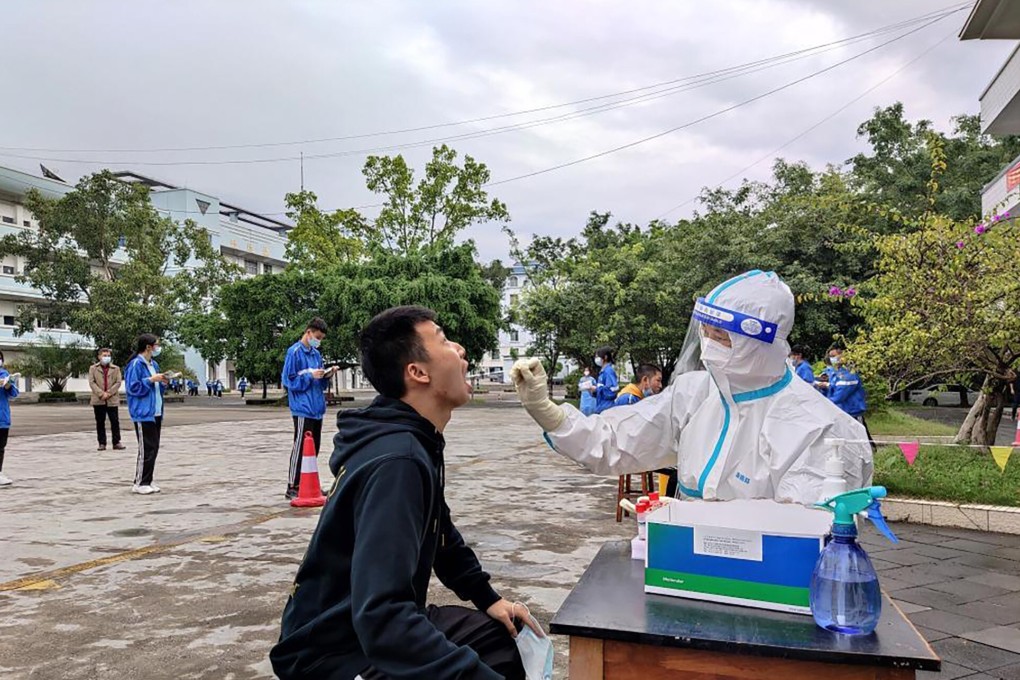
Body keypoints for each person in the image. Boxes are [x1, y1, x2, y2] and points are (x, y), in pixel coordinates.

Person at [270, 306, 534, 680]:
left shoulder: (415, 440)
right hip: (332, 653)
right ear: (417, 372)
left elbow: (441, 535)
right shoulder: (398, 461)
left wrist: (488, 598)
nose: (460, 350)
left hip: (361, 630)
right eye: (444, 341)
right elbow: (383, 616)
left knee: (501, 640)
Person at [511, 270, 873, 505]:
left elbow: (801, 535)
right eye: (706, 333)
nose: (709, 346)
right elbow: (615, 441)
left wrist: (695, 521)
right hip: (690, 572)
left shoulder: (819, 427)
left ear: (763, 342)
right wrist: (549, 413)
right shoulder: (695, 395)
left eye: (722, 337)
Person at [282, 317, 337, 500]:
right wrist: (309, 376)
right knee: (300, 447)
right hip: (302, 408)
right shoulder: (294, 352)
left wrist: (326, 375)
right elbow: (288, 381)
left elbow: (319, 384)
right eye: (317, 337)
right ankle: (293, 485)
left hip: (316, 408)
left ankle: (309, 483)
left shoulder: (316, 355)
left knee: (314, 449)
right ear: (308, 332)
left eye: (321, 338)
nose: (318, 341)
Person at [125, 334, 167, 495]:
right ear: (148, 347)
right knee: (146, 449)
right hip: (143, 412)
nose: (158, 348)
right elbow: (133, 388)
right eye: (156, 345)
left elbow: (156, 388)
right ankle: (140, 482)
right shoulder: (136, 364)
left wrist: (163, 381)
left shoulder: (153, 364)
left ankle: (147, 479)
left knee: (153, 448)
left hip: (155, 411)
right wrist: (150, 380)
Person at [88, 348, 125, 452]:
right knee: (100, 422)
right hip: (98, 399)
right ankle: (102, 443)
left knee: (115, 421)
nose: (107, 357)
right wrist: (101, 393)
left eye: (108, 355)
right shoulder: (93, 368)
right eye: (104, 355)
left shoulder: (116, 368)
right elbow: (92, 382)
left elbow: (118, 382)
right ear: (99, 357)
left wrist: (109, 393)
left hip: (112, 399)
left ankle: (116, 442)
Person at [0, 352, 20, 486]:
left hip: (2, 417)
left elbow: (14, 393)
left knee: (0, 447)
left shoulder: (4, 374)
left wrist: (8, 385)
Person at [593, 346, 619, 414]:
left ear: (605, 357)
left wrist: (597, 389)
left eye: (597, 357)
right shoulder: (603, 372)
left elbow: (612, 391)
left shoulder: (608, 371)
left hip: (607, 408)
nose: (596, 359)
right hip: (601, 406)